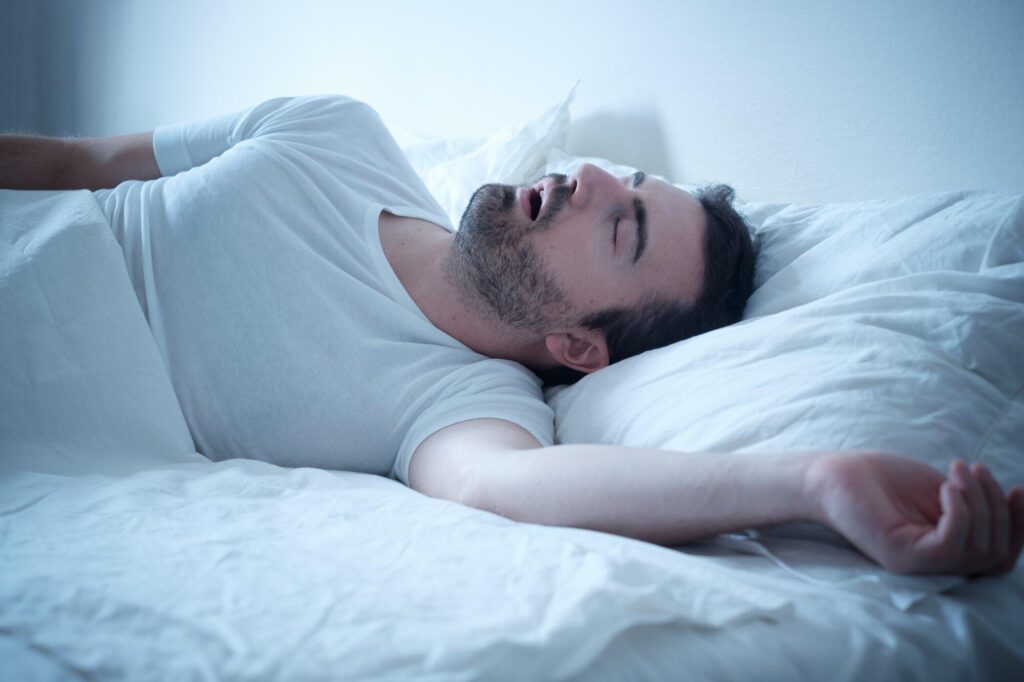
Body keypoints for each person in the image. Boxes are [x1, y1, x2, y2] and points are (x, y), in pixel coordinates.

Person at [1, 94, 1021, 577]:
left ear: (580, 348)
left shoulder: (463, 408)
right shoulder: (332, 131)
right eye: (617, 182)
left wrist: (811, 483)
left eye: (616, 226)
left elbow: (514, 491)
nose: (585, 181)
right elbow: (71, 160)